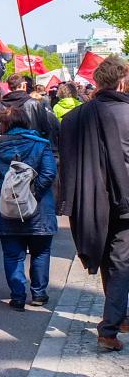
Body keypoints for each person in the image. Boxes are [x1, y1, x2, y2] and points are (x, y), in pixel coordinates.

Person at [59, 55, 129, 351]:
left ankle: (118, 317)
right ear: (123, 81)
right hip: (124, 198)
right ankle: (110, 327)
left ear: (97, 82)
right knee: (120, 260)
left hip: (88, 200)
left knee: (108, 257)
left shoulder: (74, 116)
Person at [0, 107, 58, 311]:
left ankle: (17, 296)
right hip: (39, 210)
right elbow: (50, 173)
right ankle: (39, 294)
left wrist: (9, 195)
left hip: (8, 211)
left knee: (12, 254)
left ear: (3, 126)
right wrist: (33, 194)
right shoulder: (40, 145)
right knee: (40, 252)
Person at [2, 73, 59, 150]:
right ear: (24, 85)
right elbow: (46, 129)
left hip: (10, 149)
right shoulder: (35, 103)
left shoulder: (1, 105)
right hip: (33, 148)